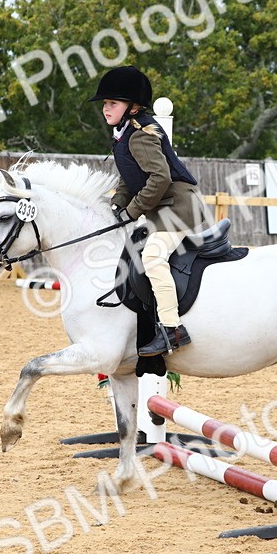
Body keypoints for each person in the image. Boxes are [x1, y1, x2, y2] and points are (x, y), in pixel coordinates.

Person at [88, 65, 209, 356]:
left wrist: (132, 211)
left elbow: (160, 178)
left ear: (132, 106)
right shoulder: (126, 132)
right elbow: (130, 176)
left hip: (179, 207)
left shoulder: (141, 134)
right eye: (105, 103)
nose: (106, 108)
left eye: (112, 103)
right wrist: (118, 202)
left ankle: (172, 330)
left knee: (153, 257)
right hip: (161, 208)